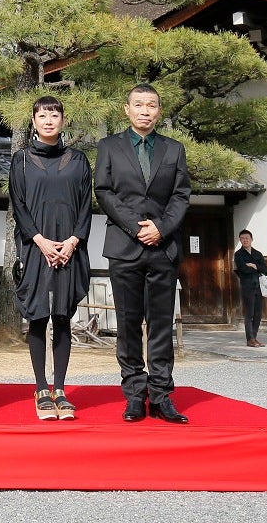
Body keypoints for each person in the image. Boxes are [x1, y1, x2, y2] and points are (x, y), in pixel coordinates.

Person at [95, 83, 191, 425]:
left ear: (158, 112)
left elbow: (181, 195)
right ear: (127, 109)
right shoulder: (108, 147)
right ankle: (135, 395)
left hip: (163, 247)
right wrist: (136, 227)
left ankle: (162, 395)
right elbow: (104, 192)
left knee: (162, 324)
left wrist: (161, 228)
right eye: (139, 105)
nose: (145, 111)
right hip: (125, 246)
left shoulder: (173, 149)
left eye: (151, 105)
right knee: (129, 324)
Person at [8, 95, 91, 421]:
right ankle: (41, 387)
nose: (48, 120)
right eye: (42, 115)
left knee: (62, 316)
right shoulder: (22, 160)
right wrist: (41, 241)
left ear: (63, 120)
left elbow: (86, 205)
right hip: (35, 245)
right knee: (39, 315)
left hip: (70, 247)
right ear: (33, 121)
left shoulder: (79, 160)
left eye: (54, 115)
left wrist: (71, 242)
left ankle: (60, 388)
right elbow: (19, 205)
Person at [234, 230, 267, 347]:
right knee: (249, 313)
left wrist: (253, 265)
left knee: (258, 313)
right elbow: (243, 269)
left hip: (259, 286)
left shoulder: (258, 254)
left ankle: (254, 336)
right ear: (240, 240)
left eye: (247, 238)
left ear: (251, 239)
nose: (245, 240)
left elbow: (264, 268)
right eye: (242, 238)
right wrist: (255, 268)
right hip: (247, 286)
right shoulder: (238, 254)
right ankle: (250, 339)